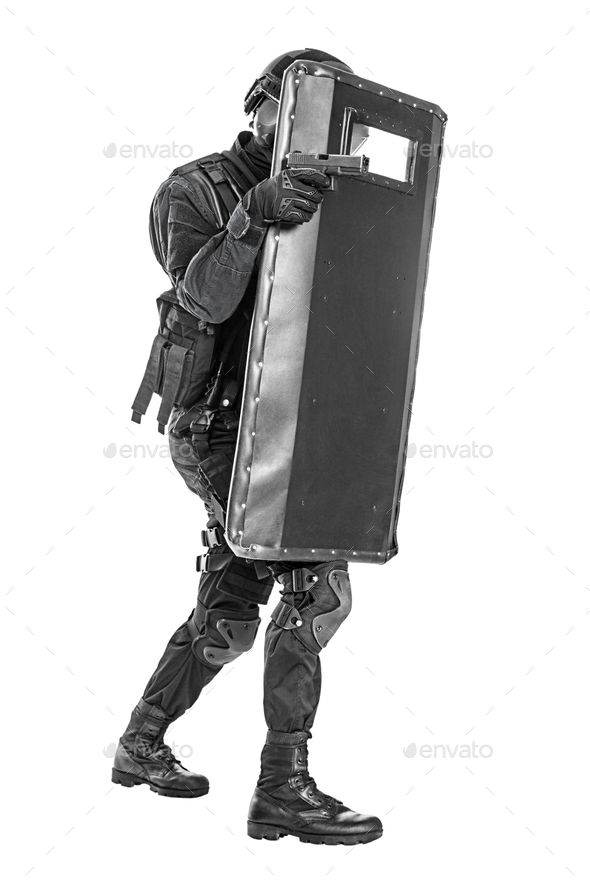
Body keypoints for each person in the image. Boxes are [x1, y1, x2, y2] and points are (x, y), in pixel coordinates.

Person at [113, 48, 383, 846]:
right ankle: (283, 788)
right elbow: (205, 299)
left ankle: (140, 741)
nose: (313, 129)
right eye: (299, 106)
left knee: (229, 613)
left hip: (290, 424)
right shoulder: (193, 190)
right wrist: (254, 215)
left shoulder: (336, 197)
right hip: (216, 426)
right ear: (261, 105)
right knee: (313, 581)